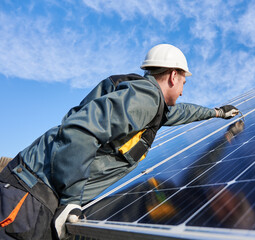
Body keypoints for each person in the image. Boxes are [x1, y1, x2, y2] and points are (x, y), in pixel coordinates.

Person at [0, 44, 239, 240]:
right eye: (183, 84)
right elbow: (80, 131)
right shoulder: (145, 99)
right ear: (174, 76)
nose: (182, 92)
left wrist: (216, 113)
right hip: (31, 196)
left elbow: (182, 112)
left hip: (38, 195)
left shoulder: (150, 105)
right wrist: (72, 199)